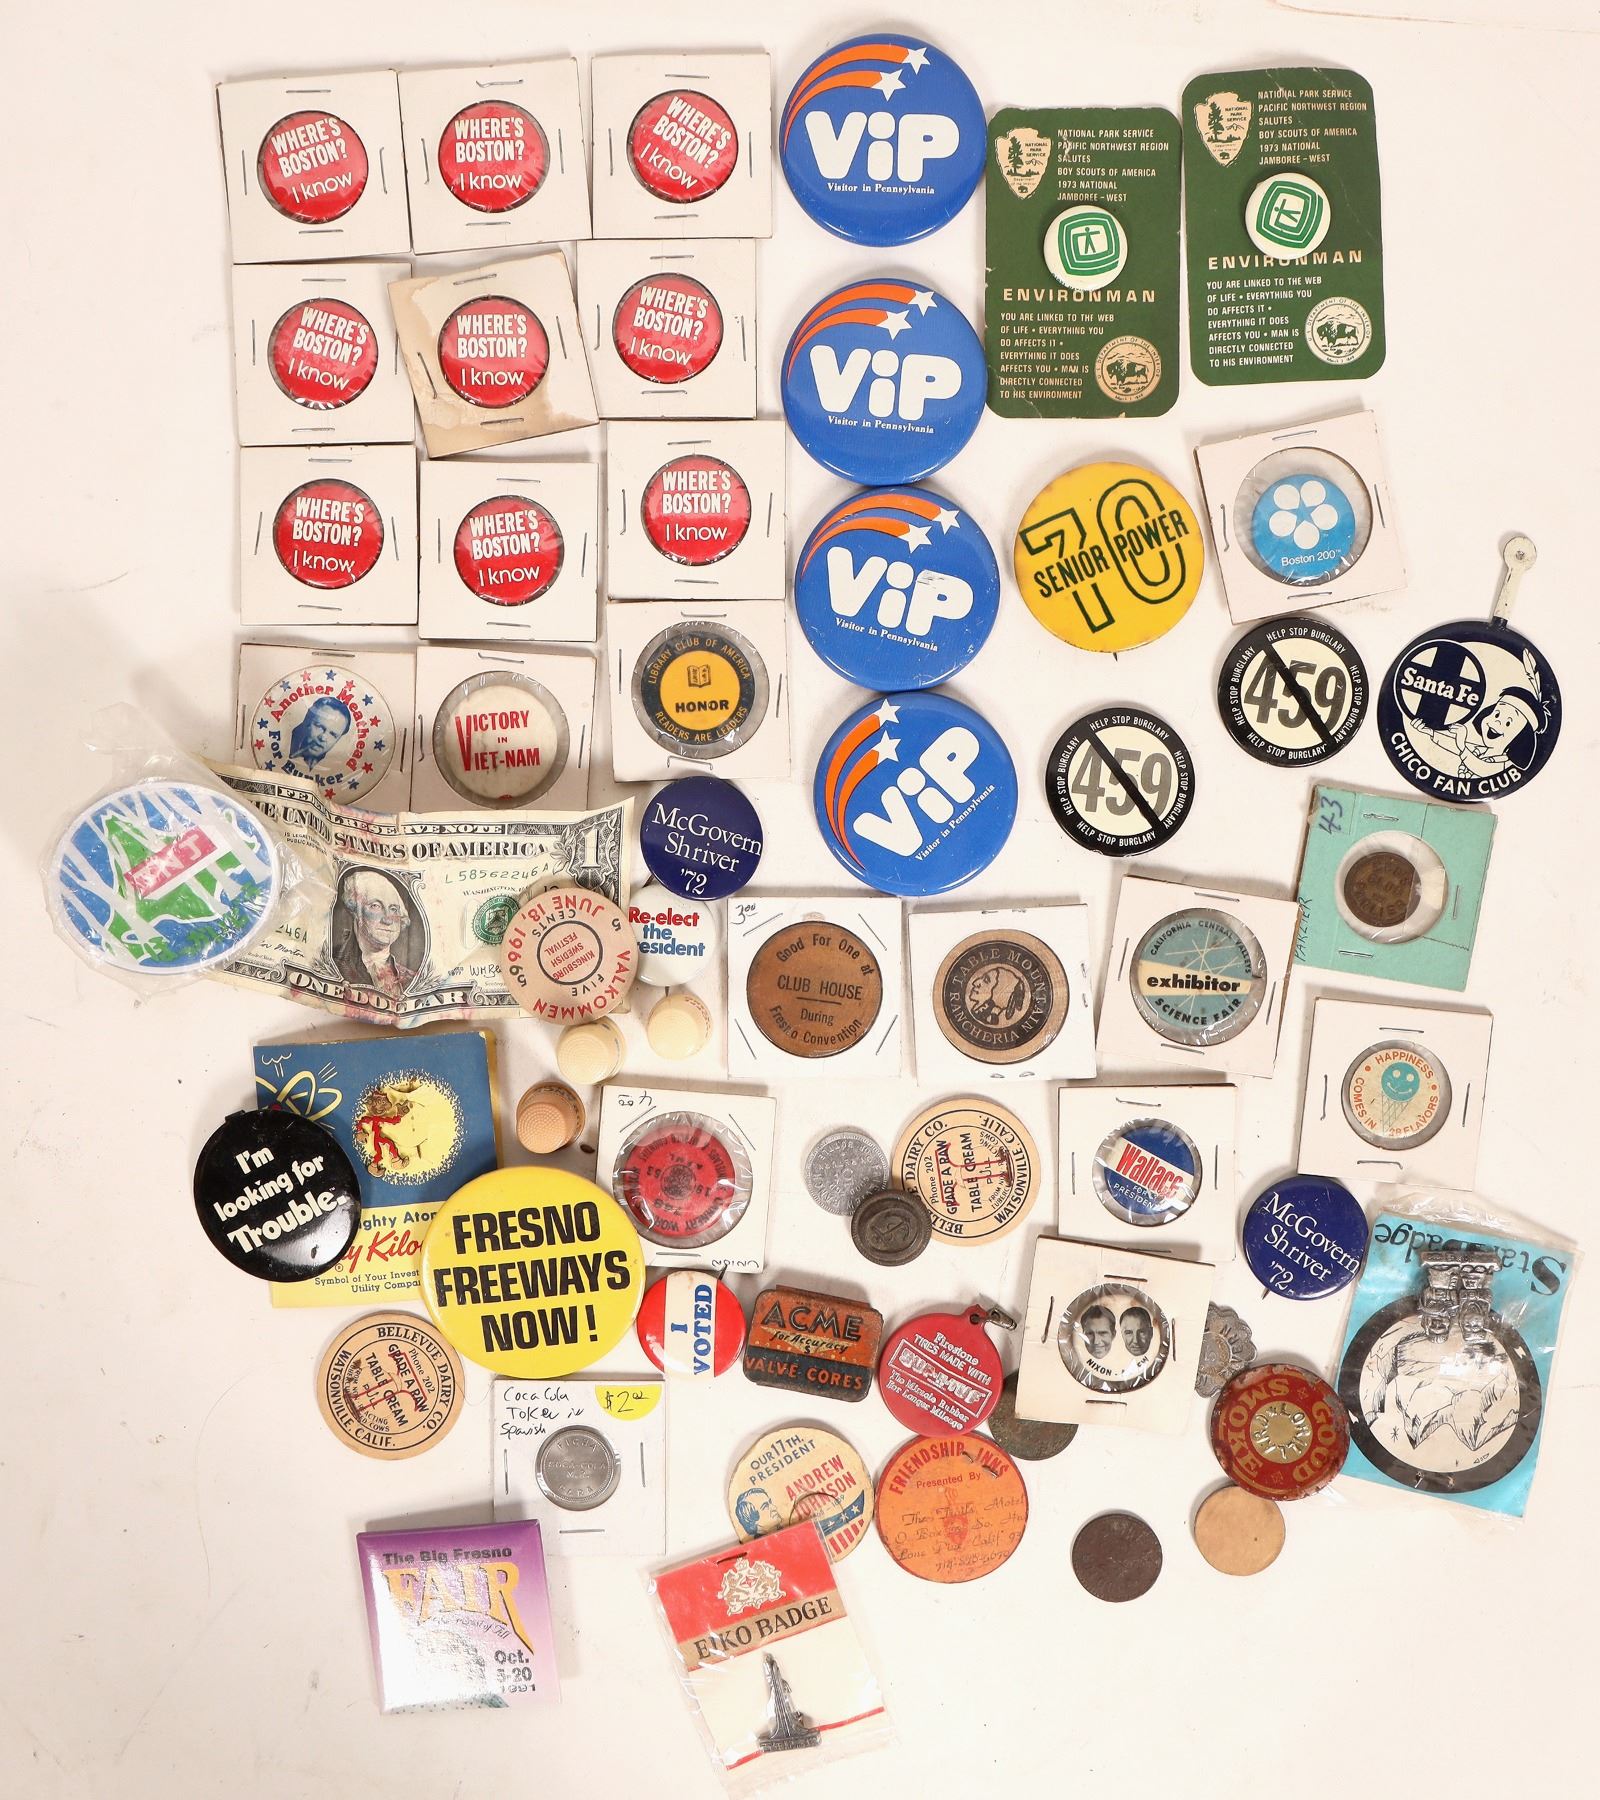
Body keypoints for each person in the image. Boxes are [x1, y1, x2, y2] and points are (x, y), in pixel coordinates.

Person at [333, 870, 418, 999]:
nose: (388, 920)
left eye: (393, 909)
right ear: (356, 911)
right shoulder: (333, 965)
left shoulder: (411, 980)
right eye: (375, 906)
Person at [287, 696, 354, 772]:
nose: (323, 738)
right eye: (320, 727)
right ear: (307, 719)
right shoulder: (284, 748)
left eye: (333, 734)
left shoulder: (335, 769)